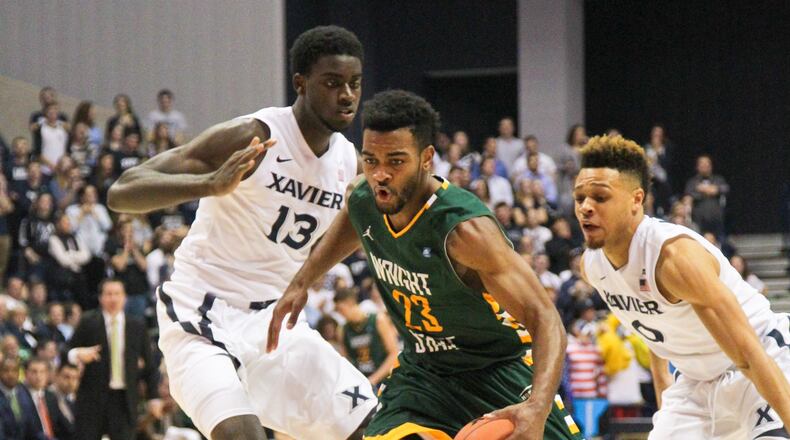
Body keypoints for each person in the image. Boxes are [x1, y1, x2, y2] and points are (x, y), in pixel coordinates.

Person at [107, 26, 375, 440]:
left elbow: (360, 230)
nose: (346, 95)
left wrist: (306, 278)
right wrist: (208, 185)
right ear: (301, 84)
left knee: (374, 428)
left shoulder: (348, 163)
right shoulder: (255, 136)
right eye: (332, 83)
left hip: (274, 321)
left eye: (354, 84)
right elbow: (122, 193)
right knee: (242, 435)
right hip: (201, 314)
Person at [269, 90, 581, 440]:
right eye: (371, 161)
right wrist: (302, 281)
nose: (381, 175)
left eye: (396, 162)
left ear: (427, 158)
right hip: (425, 373)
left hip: (495, 370)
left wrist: (537, 406)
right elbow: (352, 218)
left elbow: (546, 318)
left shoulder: (464, 230)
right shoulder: (364, 198)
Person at [573, 134, 790, 438]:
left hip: (762, 360)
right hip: (696, 381)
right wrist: (667, 413)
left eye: (600, 197)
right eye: (579, 197)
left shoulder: (674, 259)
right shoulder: (593, 267)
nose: (585, 207)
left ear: (637, 199)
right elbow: (653, 330)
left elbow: (749, 353)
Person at [66, 279, 158, 440]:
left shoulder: (137, 325)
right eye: (108, 294)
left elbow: (150, 366)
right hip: (92, 399)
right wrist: (77, 354)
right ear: (101, 298)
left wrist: (153, 397)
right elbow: (66, 351)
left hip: (124, 399)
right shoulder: (88, 321)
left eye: (117, 294)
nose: (113, 299)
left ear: (125, 297)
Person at [333, 288, 399, 388]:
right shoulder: (342, 330)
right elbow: (345, 361)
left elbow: (394, 353)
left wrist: (373, 379)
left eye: (341, 309)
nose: (340, 314)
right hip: (362, 381)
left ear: (350, 302)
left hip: (384, 380)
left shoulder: (378, 320)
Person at [24, 358, 73, 440]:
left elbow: (63, 425)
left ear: (47, 374)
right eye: (34, 372)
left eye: (42, 372)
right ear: (26, 373)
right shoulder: (21, 395)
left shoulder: (50, 396)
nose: (38, 376)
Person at [0, 357, 45, 440]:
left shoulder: (23, 391)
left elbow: (35, 429)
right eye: (6, 370)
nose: (10, 374)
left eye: (14, 370)